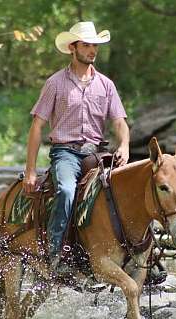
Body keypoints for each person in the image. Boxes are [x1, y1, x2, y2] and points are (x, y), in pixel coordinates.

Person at [22, 21, 130, 280]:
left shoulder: (106, 85)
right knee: (67, 190)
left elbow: (119, 122)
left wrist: (124, 144)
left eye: (95, 45)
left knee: (124, 190)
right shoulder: (55, 84)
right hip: (65, 153)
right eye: (86, 45)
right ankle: (55, 254)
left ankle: (136, 252)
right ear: (73, 48)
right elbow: (37, 126)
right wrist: (30, 171)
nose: (92, 50)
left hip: (96, 153)